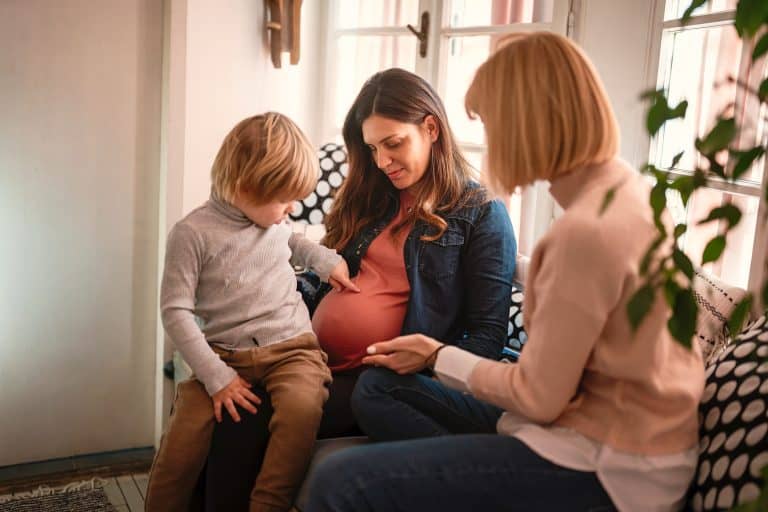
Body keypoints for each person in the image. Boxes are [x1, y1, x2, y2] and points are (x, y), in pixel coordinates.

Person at [304, 32, 705, 512]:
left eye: (494, 124)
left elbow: (537, 399)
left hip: (607, 463)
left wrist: (436, 356)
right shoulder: (627, 193)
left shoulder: (585, 231)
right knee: (378, 394)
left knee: (340, 482)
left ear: (530, 123)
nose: (491, 142)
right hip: (594, 433)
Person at [203, 68, 517, 508]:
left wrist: (428, 358)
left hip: (381, 379)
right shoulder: (373, 197)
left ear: (431, 128)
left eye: (393, 144)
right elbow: (321, 279)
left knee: (252, 412)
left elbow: (486, 338)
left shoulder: (481, 214)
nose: (383, 161)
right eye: (372, 149)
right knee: (229, 403)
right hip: (311, 359)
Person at [144, 112, 359, 512]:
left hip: (292, 348)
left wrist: (328, 262)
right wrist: (217, 378)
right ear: (245, 187)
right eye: (284, 199)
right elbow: (175, 312)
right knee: (181, 445)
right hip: (225, 354)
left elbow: (295, 242)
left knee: (302, 407)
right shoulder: (192, 234)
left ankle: (268, 503)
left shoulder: (272, 222)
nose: (291, 209)